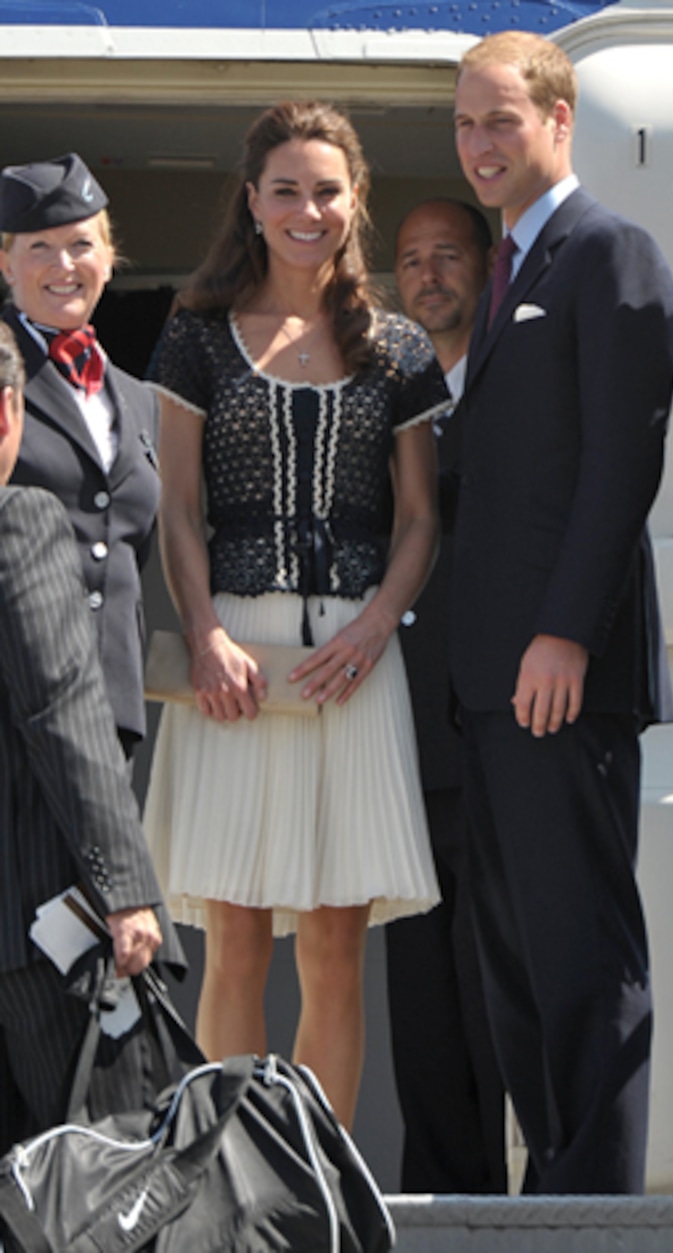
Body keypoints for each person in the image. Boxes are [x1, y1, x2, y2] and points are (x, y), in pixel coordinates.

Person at [142, 101, 447, 1130]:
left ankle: (317, 1185)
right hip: (231, 648)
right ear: (253, 199)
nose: (306, 208)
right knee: (230, 937)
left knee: (332, 946)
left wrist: (372, 630)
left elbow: (418, 521)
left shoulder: (396, 342)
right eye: (286, 188)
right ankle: (230, 1180)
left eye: (326, 189)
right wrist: (209, 632)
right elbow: (176, 508)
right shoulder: (192, 333)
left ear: (353, 199)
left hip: (356, 658)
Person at [449, 31, 673, 1194]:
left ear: (557, 119)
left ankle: (596, 1206)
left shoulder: (608, 253)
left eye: (499, 120)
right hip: (487, 681)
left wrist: (565, 629)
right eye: (463, 124)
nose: (478, 144)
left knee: (582, 945)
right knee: (517, 959)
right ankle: (555, 1185)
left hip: (557, 672)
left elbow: (618, 464)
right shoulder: (509, 272)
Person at [0, 321, 184, 1157]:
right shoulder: (20, 520)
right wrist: (127, 888)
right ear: (11, 413)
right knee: (98, 1183)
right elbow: (64, 708)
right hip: (41, 929)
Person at [386, 198, 507, 1193]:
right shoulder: (379, 400)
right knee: (418, 992)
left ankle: (525, 1200)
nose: (429, 275)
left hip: (508, 734)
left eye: (447, 256)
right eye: (411, 261)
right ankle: (436, 1193)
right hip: (401, 736)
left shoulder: (517, 381)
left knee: (497, 985)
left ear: (485, 266)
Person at [0, 153, 161, 757]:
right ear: (5, 264)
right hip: (15, 701)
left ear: (109, 259)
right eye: (40, 247)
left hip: (108, 706)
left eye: (81, 244)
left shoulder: (140, 399)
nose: (64, 265)